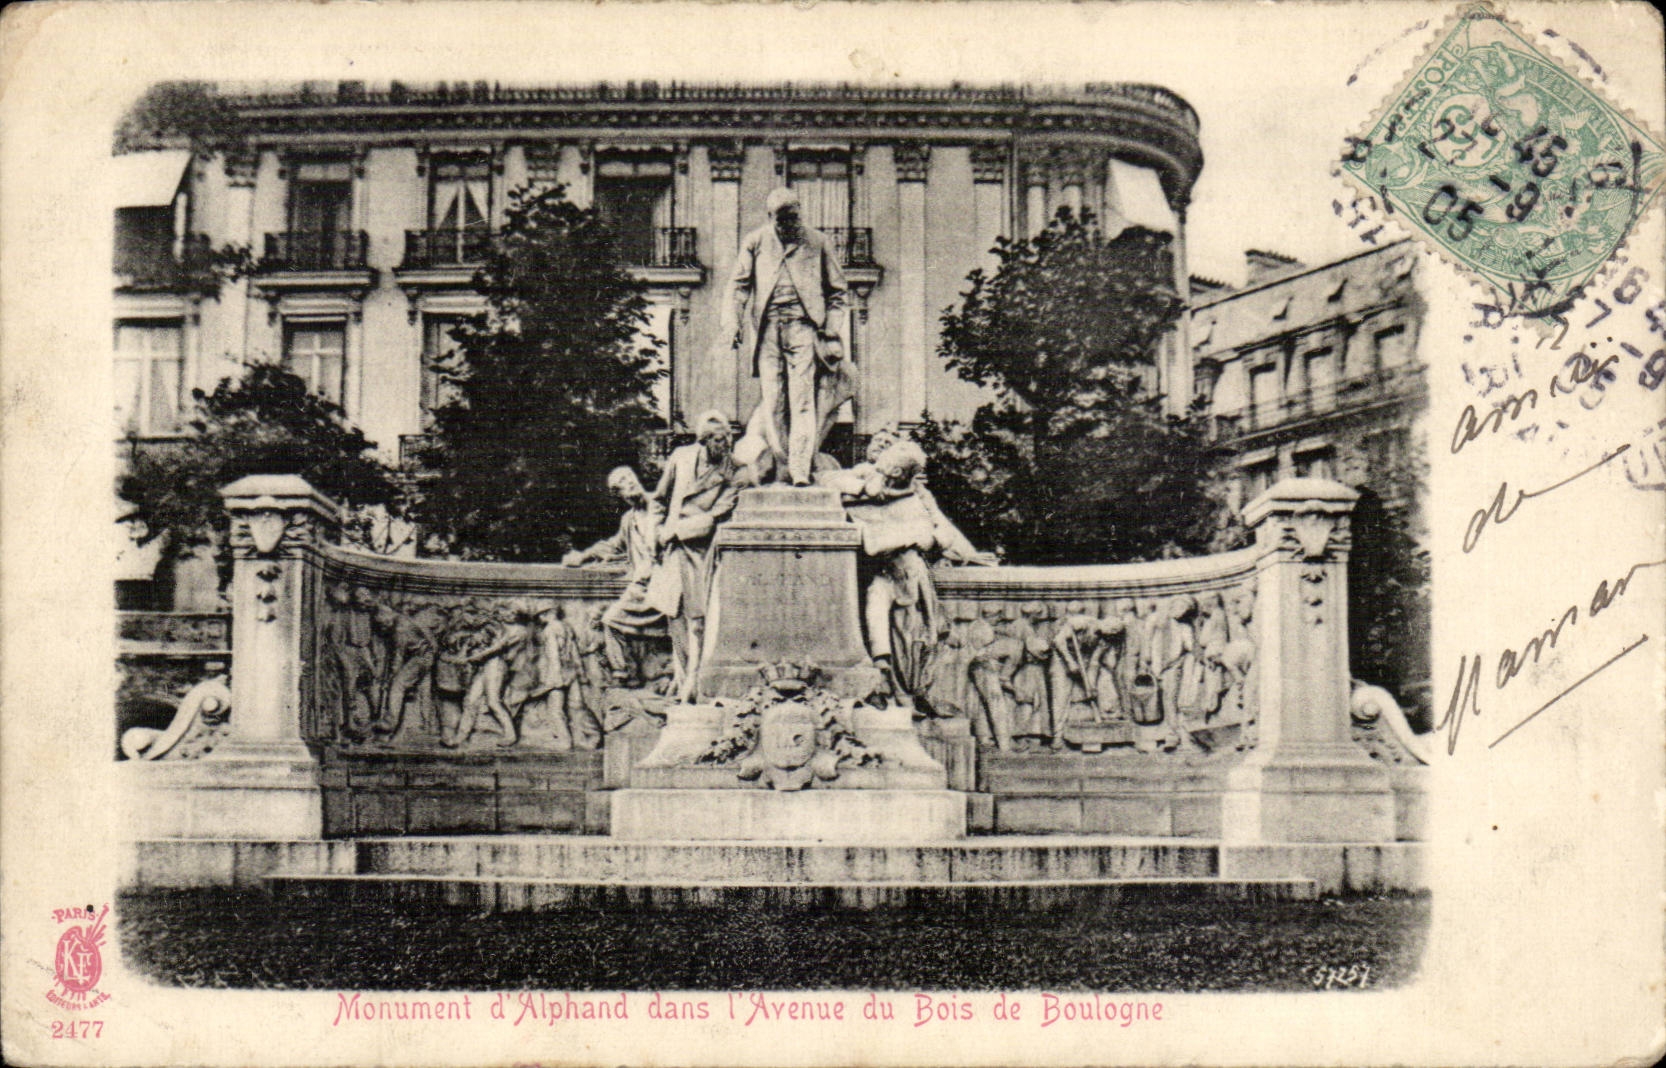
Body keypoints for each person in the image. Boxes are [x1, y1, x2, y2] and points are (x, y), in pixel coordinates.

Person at [841, 439, 996, 699]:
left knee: (899, 618)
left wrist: (966, 553)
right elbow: (829, 481)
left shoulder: (917, 496)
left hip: (906, 571)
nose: (881, 450)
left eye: (888, 449)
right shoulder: (863, 477)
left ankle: (889, 670)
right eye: (880, 444)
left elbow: (941, 528)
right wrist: (864, 488)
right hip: (875, 567)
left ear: (896, 471)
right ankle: (881, 660)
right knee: (876, 600)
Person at [718, 187, 850, 486]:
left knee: (802, 399)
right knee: (773, 400)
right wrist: (732, 323)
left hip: (804, 328)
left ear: (800, 212)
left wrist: (831, 328)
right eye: (782, 220)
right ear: (770, 217)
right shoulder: (755, 241)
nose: (790, 225)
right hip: (767, 330)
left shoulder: (818, 241)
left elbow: (838, 292)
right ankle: (784, 463)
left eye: (794, 217)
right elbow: (738, 286)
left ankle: (800, 468)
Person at [647, 411, 741, 700]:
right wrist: (655, 533)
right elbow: (659, 499)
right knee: (673, 612)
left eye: (727, 438)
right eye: (718, 439)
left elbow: (715, 516)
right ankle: (682, 674)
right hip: (671, 547)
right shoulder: (681, 457)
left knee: (698, 618)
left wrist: (674, 531)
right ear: (704, 440)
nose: (725, 444)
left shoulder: (735, 470)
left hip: (701, 548)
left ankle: (695, 679)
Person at [562, 466, 666, 685]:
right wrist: (582, 557)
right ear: (619, 494)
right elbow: (613, 545)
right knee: (611, 620)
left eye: (630, 477)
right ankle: (624, 673)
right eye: (622, 483)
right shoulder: (629, 519)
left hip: (667, 582)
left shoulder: (661, 504)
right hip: (644, 586)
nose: (629, 483)